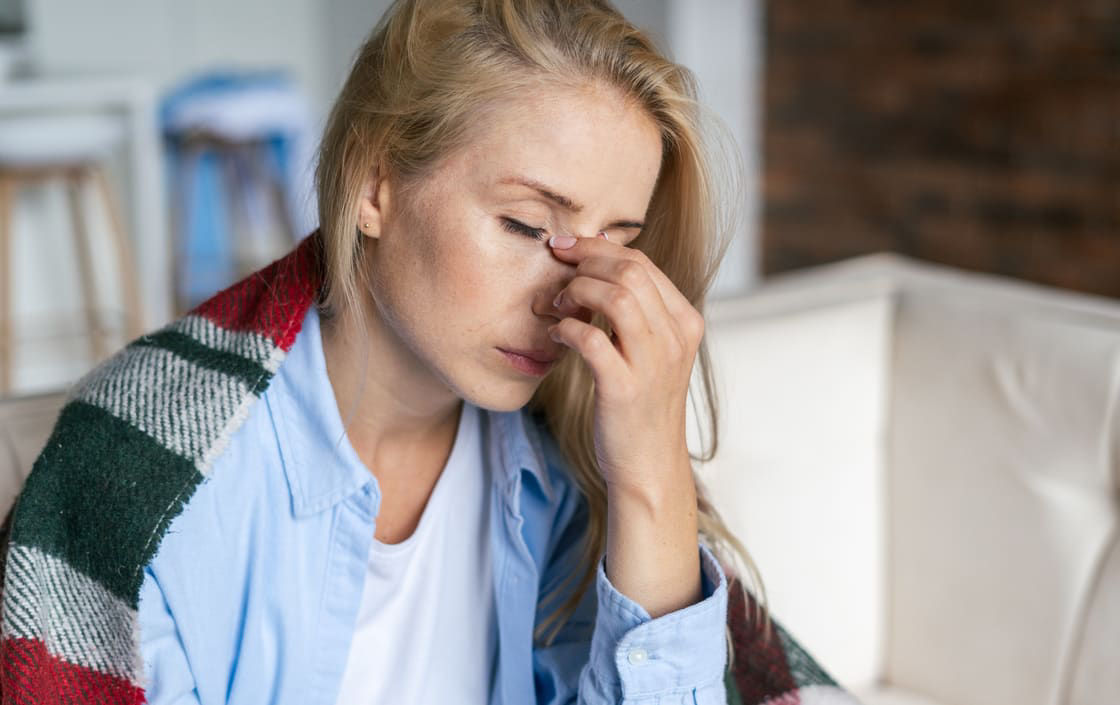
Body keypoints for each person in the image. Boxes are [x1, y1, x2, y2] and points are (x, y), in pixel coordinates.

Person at [0, 1, 852, 703]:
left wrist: (651, 479)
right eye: (528, 226)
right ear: (375, 184)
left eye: (614, 246)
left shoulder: (569, 474)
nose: (572, 296)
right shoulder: (146, 484)